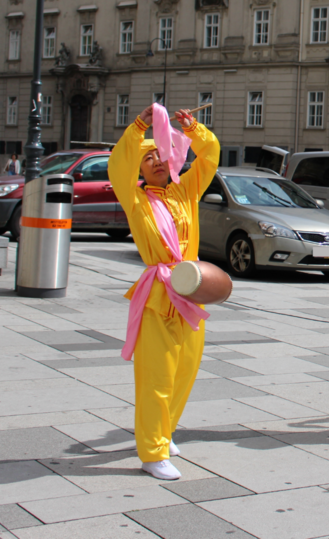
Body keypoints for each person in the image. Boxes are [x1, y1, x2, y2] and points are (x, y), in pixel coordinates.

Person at [108, 104, 220, 481]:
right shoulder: (135, 198)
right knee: (157, 374)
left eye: (162, 155)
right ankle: (152, 451)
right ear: (139, 169)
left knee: (186, 369)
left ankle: (164, 429)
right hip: (159, 291)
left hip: (192, 287)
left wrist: (194, 127)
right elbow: (118, 165)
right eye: (148, 158)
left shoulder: (185, 190)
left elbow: (210, 157)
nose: (156, 161)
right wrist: (140, 126)